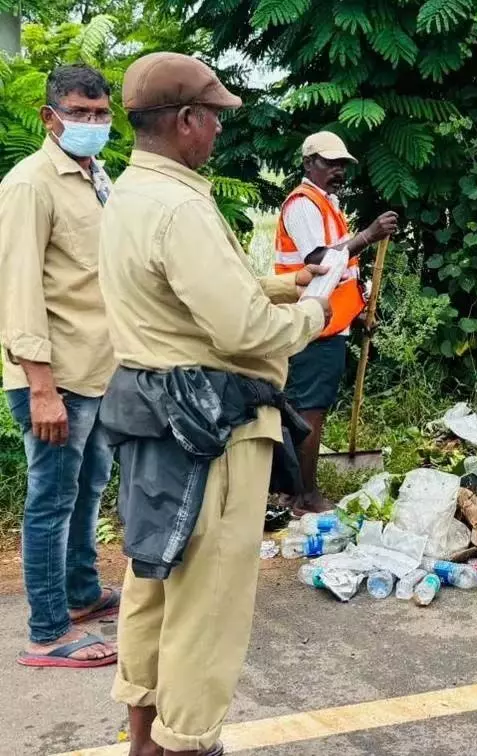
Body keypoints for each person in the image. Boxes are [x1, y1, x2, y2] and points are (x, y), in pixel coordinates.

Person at [99, 52, 330, 756]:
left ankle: (144, 738)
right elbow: (242, 330)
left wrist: (286, 284)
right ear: (187, 120)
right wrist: (314, 314)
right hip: (211, 423)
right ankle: (186, 742)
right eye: (216, 118)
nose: (220, 132)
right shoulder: (180, 206)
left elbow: (198, 291)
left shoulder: (129, 193)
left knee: (154, 580)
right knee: (208, 606)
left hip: (150, 412)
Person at [0, 64, 120, 669]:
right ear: (51, 117)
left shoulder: (97, 176)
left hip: (98, 370)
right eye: (80, 113)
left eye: (101, 115)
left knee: (87, 489)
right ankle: (47, 633)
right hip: (56, 377)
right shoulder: (30, 185)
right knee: (51, 501)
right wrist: (40, 388)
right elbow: (17, 290)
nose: (92, 124)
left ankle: (79, 595)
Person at [274, 131, 398, 515]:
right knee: (309, 411)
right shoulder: (303, 205)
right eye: (330, 163)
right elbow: (322, 260)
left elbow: (341, 275)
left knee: (309, 409)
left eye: (342, 164)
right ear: (309, 162)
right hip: (313, 324)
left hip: (328, 321)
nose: (338, 171)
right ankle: (303, 496)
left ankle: (293, 492)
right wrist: (369, 235)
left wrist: (357, 309)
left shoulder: (326, 204)